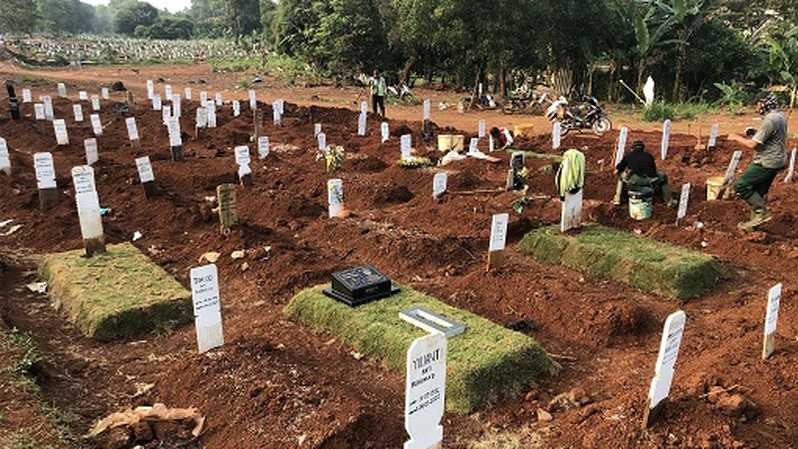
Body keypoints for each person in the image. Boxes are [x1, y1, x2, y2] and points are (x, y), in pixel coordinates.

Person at [728, 93, 788, 231]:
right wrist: (754, 132)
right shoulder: (780, 116)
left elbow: (752, 145)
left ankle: (763, 212)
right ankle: (753, 226)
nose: (757, 106)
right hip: (778, 160)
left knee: (740, 186)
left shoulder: (770, 120)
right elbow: (770, 135)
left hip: (767, 161)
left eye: (759, 103)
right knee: (758, 192)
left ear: (765, 103)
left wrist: (735, 137)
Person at [613, 140, 676, 207]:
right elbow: (654, 171)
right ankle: (669, 201)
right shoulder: (649, 156)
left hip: (635, 181)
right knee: (663, 177)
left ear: (632, 148)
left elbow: (618, 168)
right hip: (650, 180)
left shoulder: (628, 156)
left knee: (621, 177)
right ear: (643, 148)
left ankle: (617, 200)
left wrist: (621, 172)